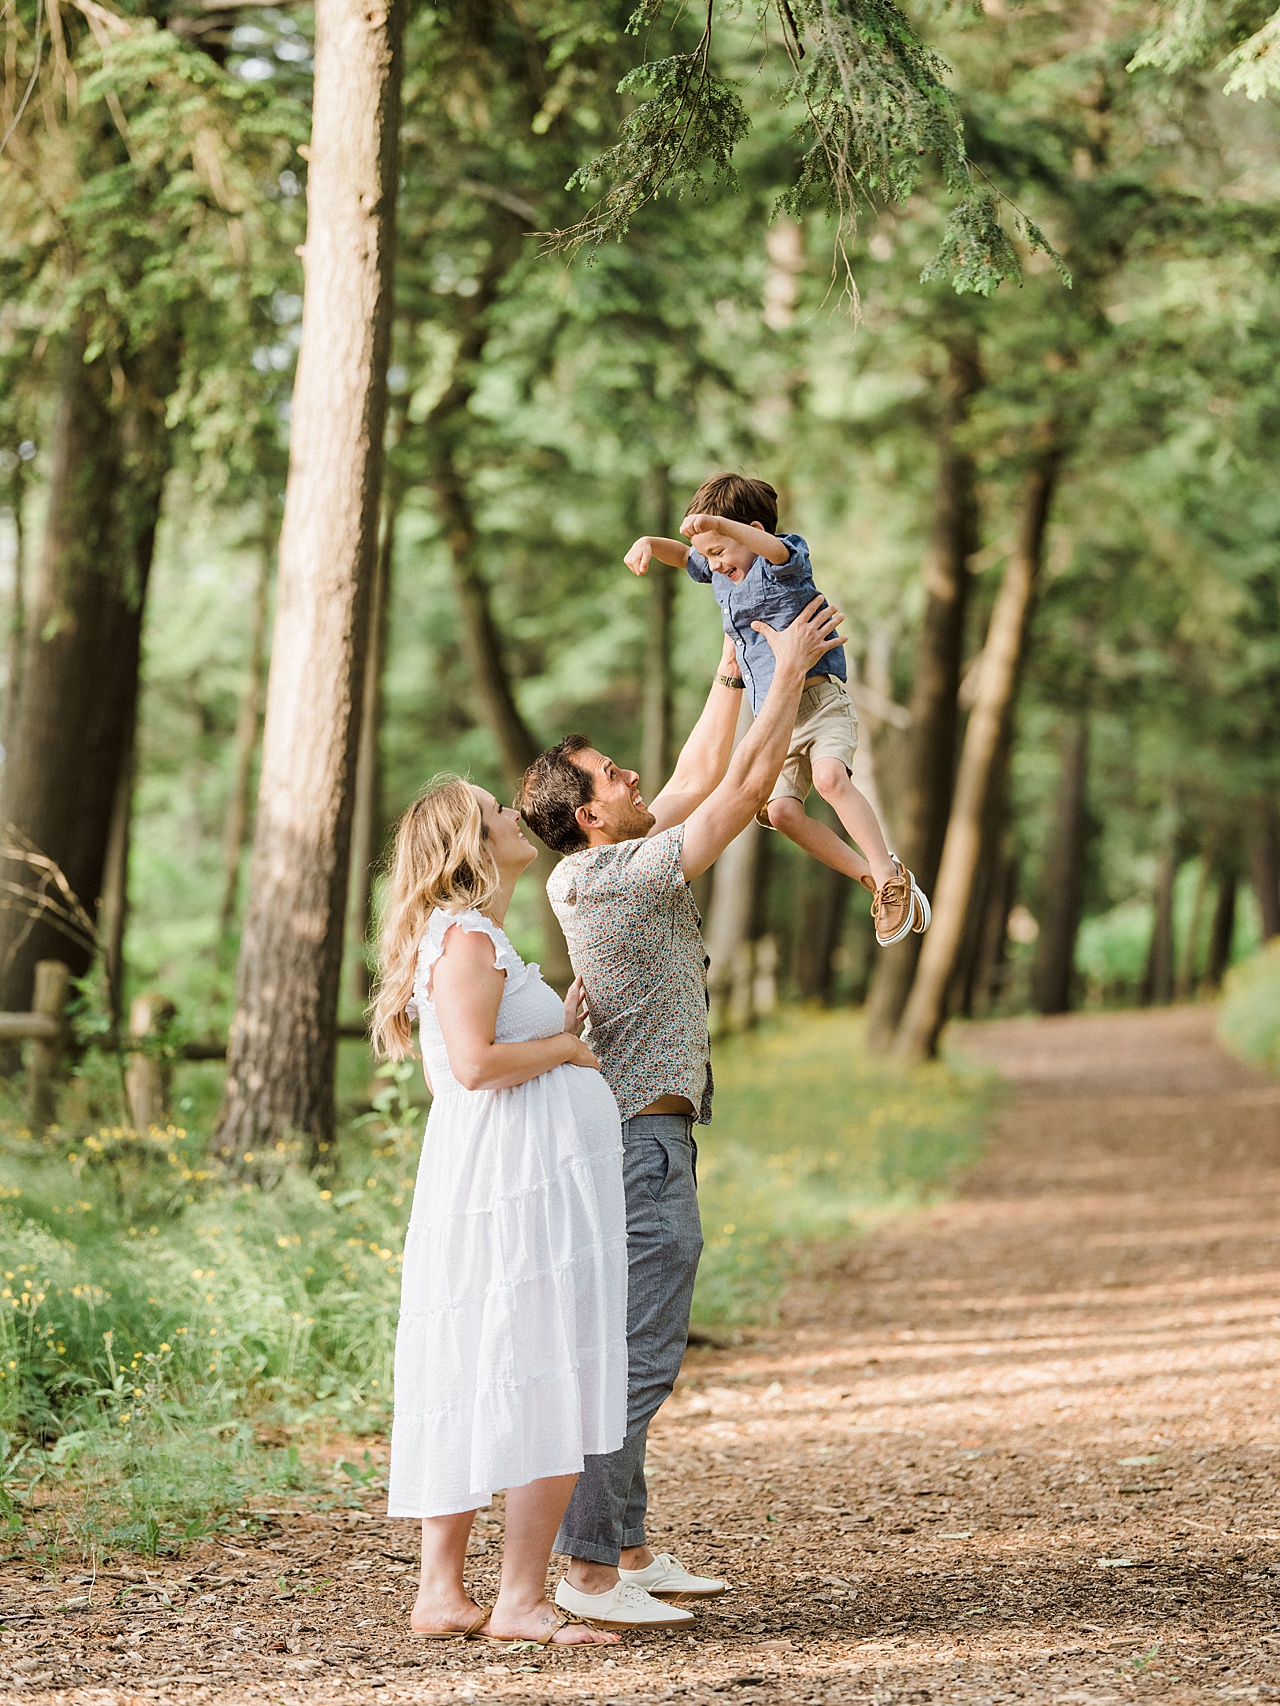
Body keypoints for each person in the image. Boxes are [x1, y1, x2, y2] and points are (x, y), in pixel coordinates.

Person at [516, 595, 846, 1630]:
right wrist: (787, 667)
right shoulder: (605, 878)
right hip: (634, 1147)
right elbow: (740, 787)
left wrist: (733, 666)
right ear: (587, 816)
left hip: (654, 1137)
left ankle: (629, 1546)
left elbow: (699, 775)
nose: (631, 775)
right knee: (637, 1356)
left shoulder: (615, 852)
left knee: (636, 1347)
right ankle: (584, 1566)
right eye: (611, 772)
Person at [370, 777, 628, 1647]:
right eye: (497, 812)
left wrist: (554, 1021)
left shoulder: (472, 938)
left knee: (492, 1358)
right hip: (514, 1185)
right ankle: (517, 1601)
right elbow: (475, 1067)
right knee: (538, 1358)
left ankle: (444, 1595)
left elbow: (477, 1051)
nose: (516, 817)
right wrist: (567, 1046)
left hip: (507, 1173)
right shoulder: (468, 936)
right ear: (470, 844)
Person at [625, 471, 930, 946]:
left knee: (830, 780)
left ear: (753, 532)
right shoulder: (718, 565)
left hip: (819, 700)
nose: (715, 564)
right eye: (711, 555)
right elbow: (685, 555)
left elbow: (773, 548)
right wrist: (649, 541)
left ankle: (890, 877)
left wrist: (720, 526)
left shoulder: (782, 562)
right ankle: (874, 876)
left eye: (721, 550)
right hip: (777, 718)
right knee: (781, 813)